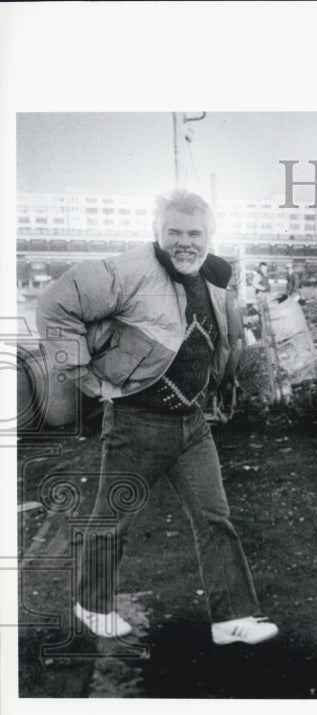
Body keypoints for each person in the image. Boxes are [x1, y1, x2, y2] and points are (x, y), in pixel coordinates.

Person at [36, 190, 278, 646]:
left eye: (195, 233)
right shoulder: (128, 270)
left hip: (192, 424)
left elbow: (224, 341)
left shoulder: (217, 278)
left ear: (210, 235)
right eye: (174, 233)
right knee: (112, 521)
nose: (184, 242)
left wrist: (228, 383)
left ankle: (232, 619)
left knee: (215, 519)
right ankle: (91, 605)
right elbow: (55, 305)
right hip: (137, 424)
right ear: (157, 232)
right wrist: (85, 377)